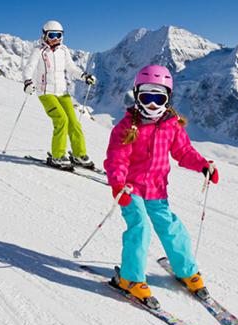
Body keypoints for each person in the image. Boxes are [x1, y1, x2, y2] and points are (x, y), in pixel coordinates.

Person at [103, 65, 219, 309]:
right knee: (140, 227)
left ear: (168, 98)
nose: (153, 104)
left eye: (159, 98)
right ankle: (130, 279)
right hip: (130, 189)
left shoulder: (171, 125)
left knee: (171, 227)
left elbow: (183, 151)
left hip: (156, 188)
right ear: (137, 96)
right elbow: (117, 158)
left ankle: (187, 271)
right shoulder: (126, 127)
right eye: (147, 97)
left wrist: (202, 165)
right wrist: (118, 184)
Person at [22, 20, 97, 169]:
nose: (55, 38)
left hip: (62, 92)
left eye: (58, 35)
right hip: (46, 93)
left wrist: (84, 76)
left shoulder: (63, 50)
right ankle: (57, 156)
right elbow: (29, 68)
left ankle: (79, 154)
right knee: (61, 120)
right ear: (44, 35)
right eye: (52, 35)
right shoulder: (39, 51)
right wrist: (27, 82)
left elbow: (71, 68)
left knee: (74, 122)